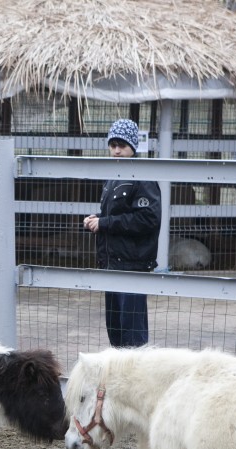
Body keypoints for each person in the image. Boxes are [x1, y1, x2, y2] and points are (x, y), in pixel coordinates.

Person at [83, 118, 161, 348]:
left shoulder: (142, 176)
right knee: (115, 329)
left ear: (133, 147)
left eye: (122, 145)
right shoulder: (113, 176)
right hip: (112, 264)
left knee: (132, 335)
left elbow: (149, 218)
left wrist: (105, 223)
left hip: (132, 265)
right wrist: (96, 219)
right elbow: (116, 213)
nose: (116, 150)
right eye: (113, 144)